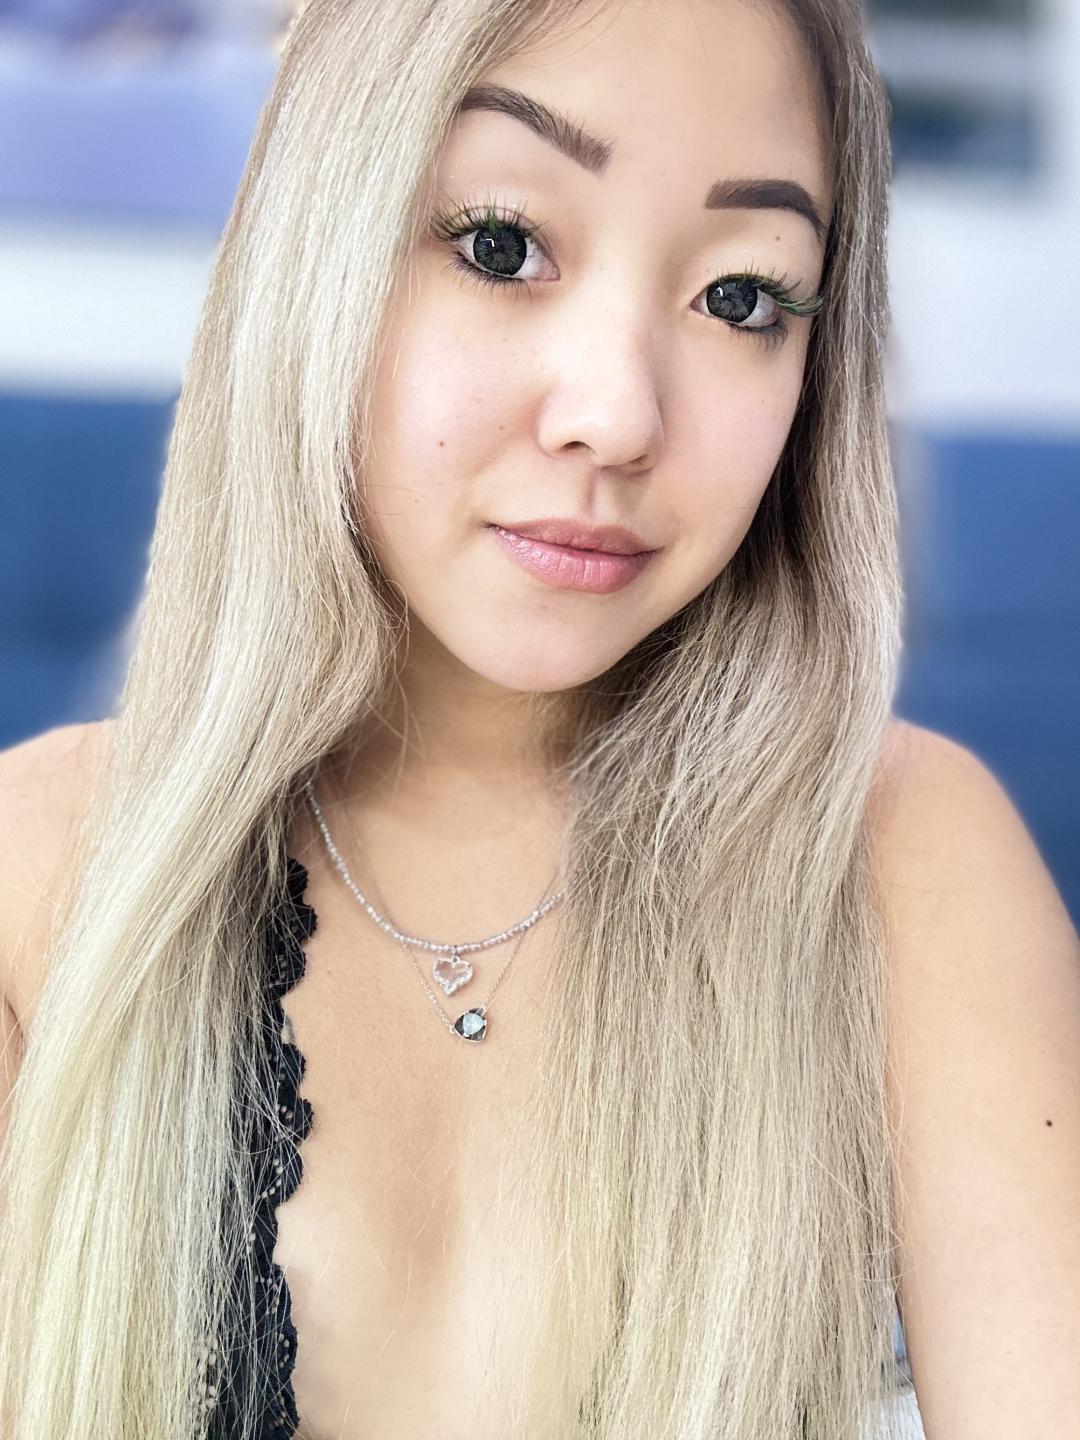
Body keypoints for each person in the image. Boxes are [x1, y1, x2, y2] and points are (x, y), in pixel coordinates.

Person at [1, 0, 1078, 1436]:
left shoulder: (902, 865)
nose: (617, 415)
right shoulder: (40, 884)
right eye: (502, 246)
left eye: (743, 297)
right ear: (316, 249)